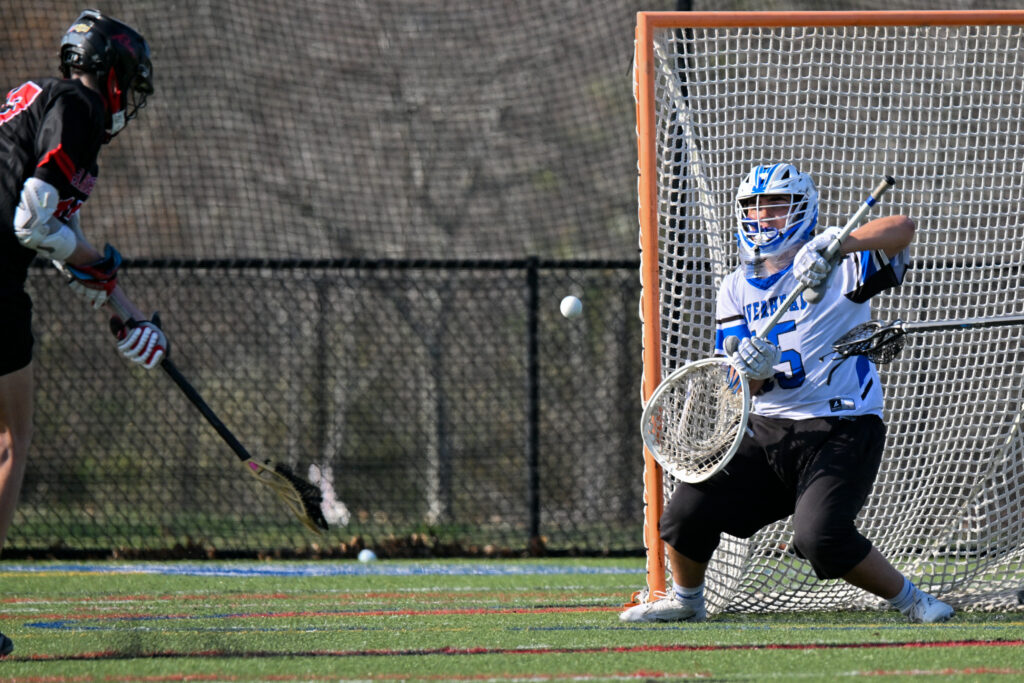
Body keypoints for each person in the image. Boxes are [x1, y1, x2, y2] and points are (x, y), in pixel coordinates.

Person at [621, 163, 953, 624]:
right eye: (754, 209)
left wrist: (839, 244)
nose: (763, 218)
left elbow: (903, 229)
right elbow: (741, 389)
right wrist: (751, 371)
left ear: (803, 211)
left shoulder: (839, 265)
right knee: (685, 512)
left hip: (842, 425)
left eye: (776, 207)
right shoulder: (735, 288)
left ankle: (912, 599)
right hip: (769, 428)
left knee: (820, 537)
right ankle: (687, 601)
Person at [0, 10, 167, 655]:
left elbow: (54, 242)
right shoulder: (82, 107)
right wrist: (100, 269)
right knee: (11, 439)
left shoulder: (39, 94)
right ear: (113, 72)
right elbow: (33, 223)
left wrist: (116, 299)